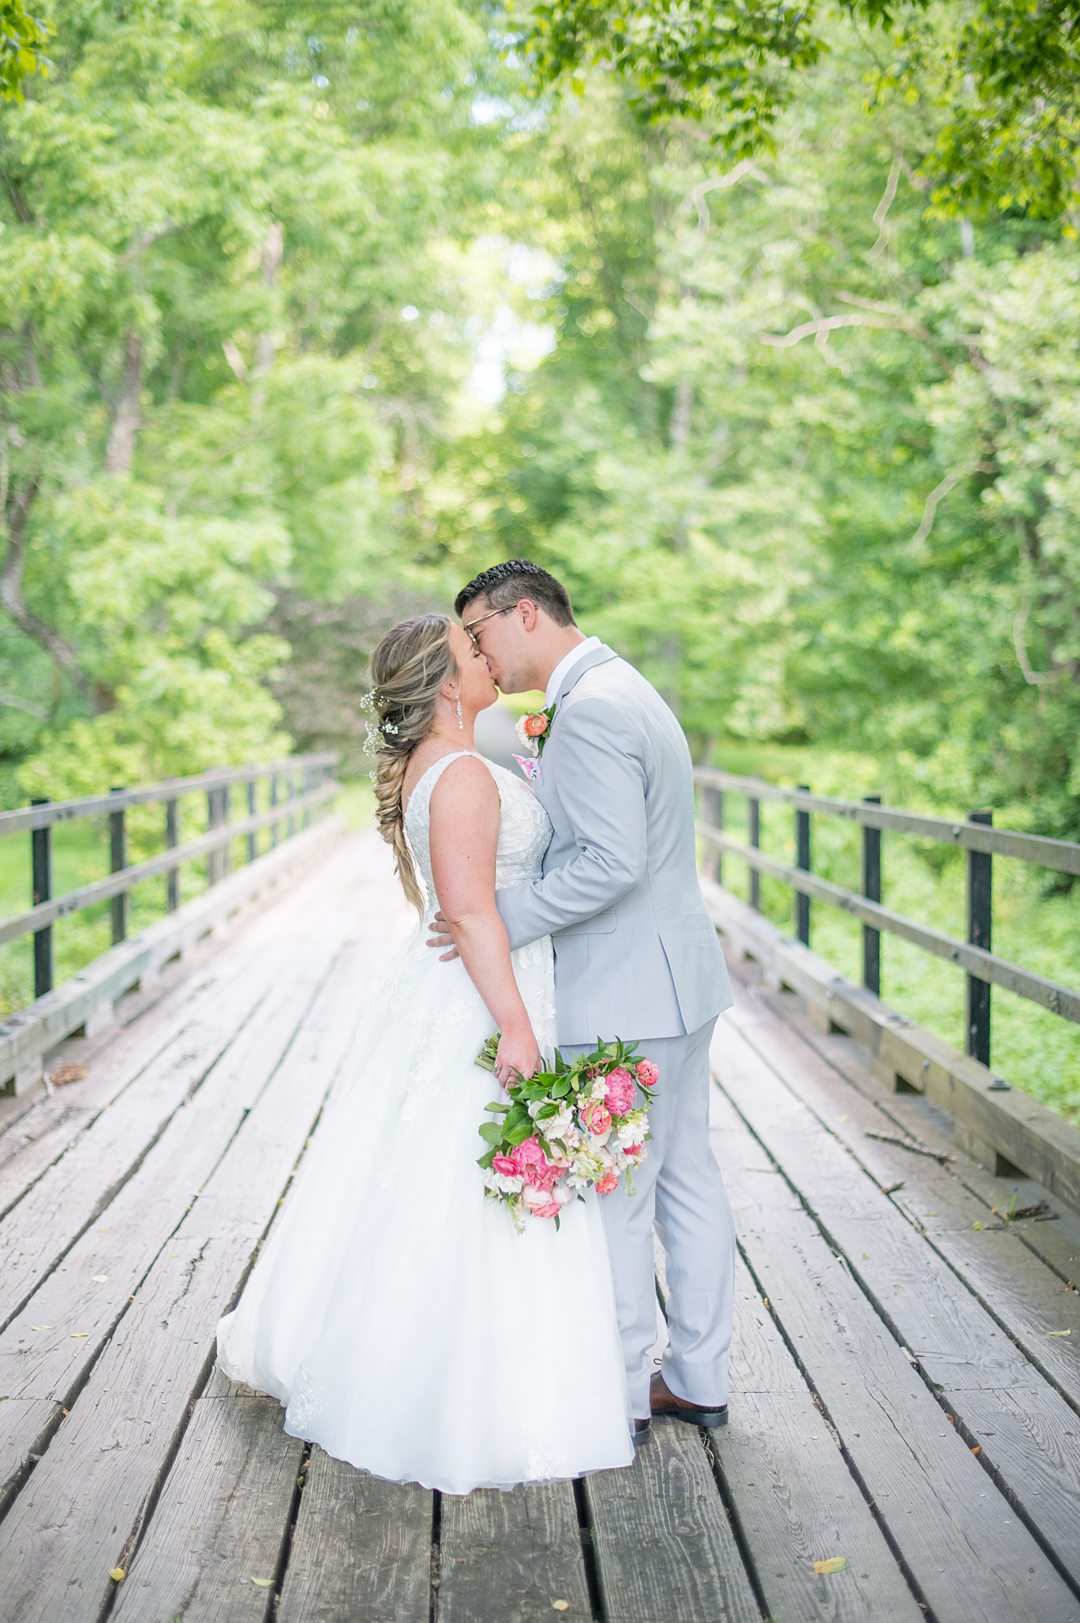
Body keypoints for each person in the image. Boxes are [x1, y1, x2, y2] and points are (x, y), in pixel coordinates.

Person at [215, 614, 634, 1493]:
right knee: (468, 1174)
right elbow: (476, 911)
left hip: (451, 985)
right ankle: (459, 1391)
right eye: (470, 651)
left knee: (429, 1169)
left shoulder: (431, 764)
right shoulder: (466, 776)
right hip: (484, 992)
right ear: (448, 684)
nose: (485, 657)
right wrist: (516, 1026)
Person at [428, 561, 736, 1436]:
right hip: (676, 978)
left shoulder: (592, 708)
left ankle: (618, 1388)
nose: (481, 654)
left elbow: (610, 861)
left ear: (524, 613)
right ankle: (699, 1376)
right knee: (686, 1180)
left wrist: (496, 917)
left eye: (481, 635)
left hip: (628, 990)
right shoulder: (621, 686)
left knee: (620, 1195)